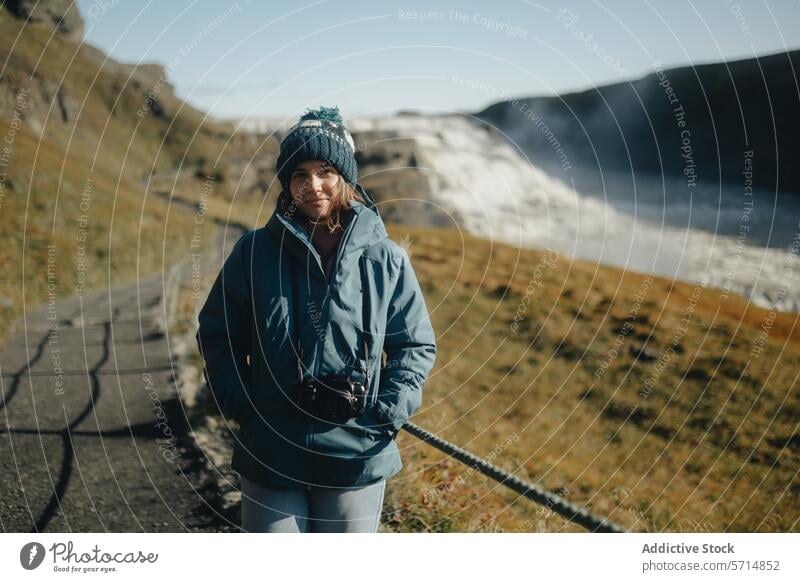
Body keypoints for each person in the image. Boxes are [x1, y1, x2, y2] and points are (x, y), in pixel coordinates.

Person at [195, 106, 437, 533]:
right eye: (299, 174)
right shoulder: (252, 253)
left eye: (325, 170)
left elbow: (414, 346)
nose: (313, 185)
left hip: (357, 455)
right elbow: (218, 335)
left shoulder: (387, 260)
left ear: (345, 176)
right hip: (271, 451)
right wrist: (243, 407)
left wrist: (383, 414)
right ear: (287, 183)